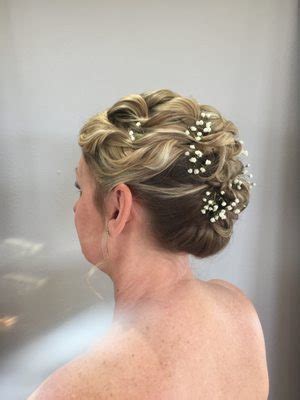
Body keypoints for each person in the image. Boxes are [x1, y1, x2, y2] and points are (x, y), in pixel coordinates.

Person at [28, 88, 269, 399]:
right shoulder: (238, 312)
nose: (76, 208)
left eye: (80, 189)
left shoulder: (72, 391)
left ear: (118, 207)